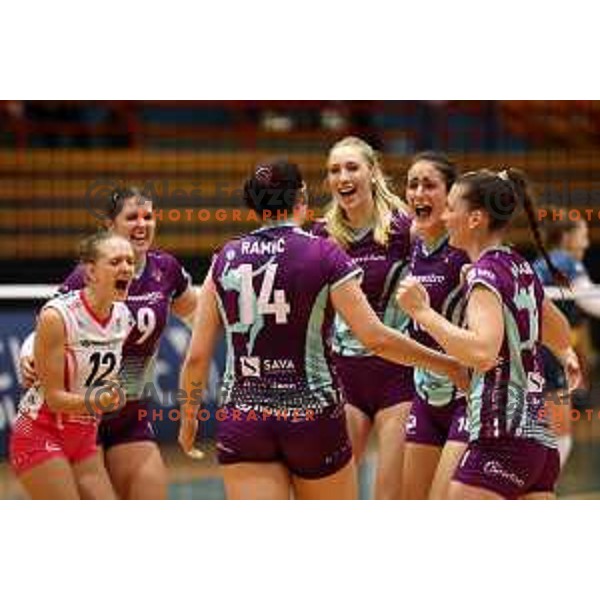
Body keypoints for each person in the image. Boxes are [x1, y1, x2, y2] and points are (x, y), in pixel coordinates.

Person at [178, 160, 467, 500]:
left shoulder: (225, 257)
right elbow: (375, 338)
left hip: (245, 417)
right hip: (312, 417)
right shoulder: (323, 252)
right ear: (301, 197)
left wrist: (189, 417)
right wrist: (447, 364)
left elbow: (197, 357)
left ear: (253, 203)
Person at [398, 168, 580, 500]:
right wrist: (566, 353)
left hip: (501, 437)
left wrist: (421, 312)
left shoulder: (485, 273)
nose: (445, 215)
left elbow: (482, 352)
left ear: (475, 219)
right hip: (538, 439)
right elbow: (560, 332)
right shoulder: (517, 264)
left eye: (452, 207)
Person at [20, 187, 198, 499]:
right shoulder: (89, 275)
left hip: (128, 412)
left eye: (148, 216)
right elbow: (50, 322)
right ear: (110, 226)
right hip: (80, 414)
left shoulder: (165, 269)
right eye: (132, 217)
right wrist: (27, 352)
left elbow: (197, 315)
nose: (142, 224)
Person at [313, 136, 414, 499]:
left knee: (389, 496)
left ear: (372, 172)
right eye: (334, 170)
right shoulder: (321, 236)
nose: (343, 176)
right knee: (336, 494)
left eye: (352, 167)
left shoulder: (404, 230)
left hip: (398, 375)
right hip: (345, 376)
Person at [10, 231, 135, 499]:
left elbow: (104, 380)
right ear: (91, 272)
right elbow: (54, 399)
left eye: (129, 261)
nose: (126, 267)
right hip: (40, 432)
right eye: (115, 262)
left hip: (84, 437)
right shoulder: (58, 315)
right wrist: (100, 402)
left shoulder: (124, 317)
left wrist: (115, 392)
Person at [402, 152, 471, 499]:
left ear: (450, 196)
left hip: (467, 397)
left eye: (429, 185)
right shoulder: (414, 245)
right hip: (426, 397)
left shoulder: (468, 253)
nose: (418, 193)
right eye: (412, 184)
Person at [534, 216, 600, 467]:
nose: (586, 243)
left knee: (543, 435)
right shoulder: (566, 261)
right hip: (548, 355)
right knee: (560, 436)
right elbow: (590, 299)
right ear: (567, 238)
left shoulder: (544, 262)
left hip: (532, 355)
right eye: (582, 235)